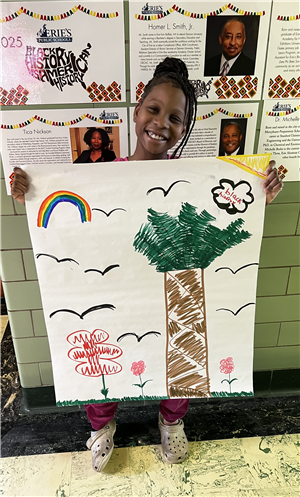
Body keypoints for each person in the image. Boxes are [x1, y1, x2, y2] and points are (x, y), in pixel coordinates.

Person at [11, 57, 283, 473]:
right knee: (99, 347)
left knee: (183, 353)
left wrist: (257, 197)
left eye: (176, 117)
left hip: (175, 288)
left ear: (184, 128)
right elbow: (74, 230)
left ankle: (172, 419)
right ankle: (100, 427)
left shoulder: (197, 180)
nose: (161, 123)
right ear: (136, 112)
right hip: (117, 288)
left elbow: (228, 215)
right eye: (153, 109)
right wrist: (30, 191)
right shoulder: (100, 177)